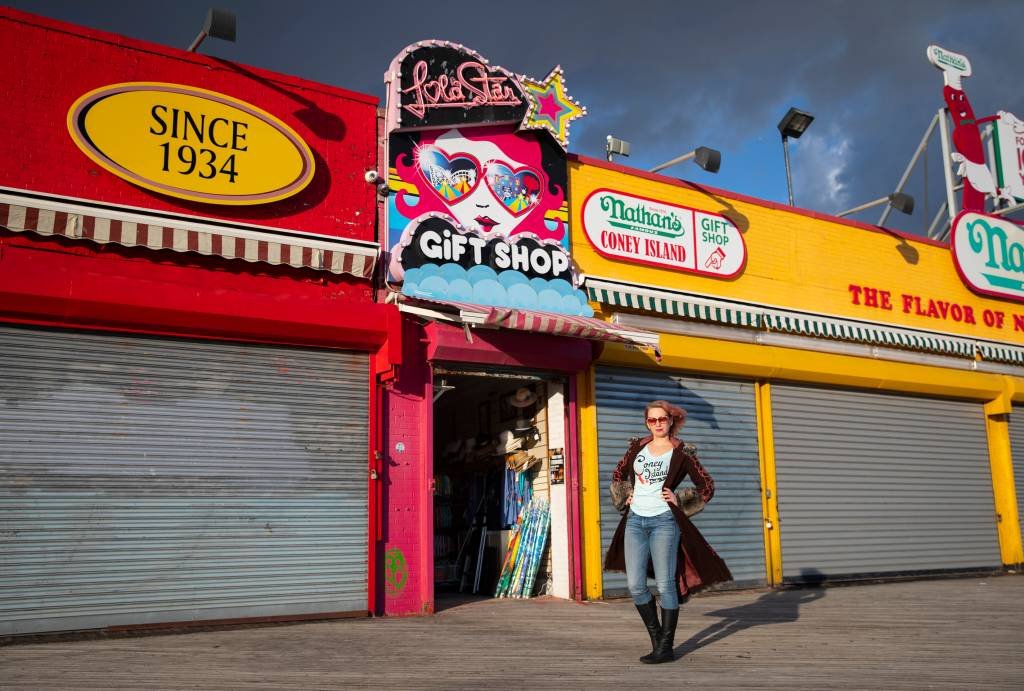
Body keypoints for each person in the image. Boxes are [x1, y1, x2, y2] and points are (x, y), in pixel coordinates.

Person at [604, 400, 732, 664]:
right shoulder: (637, 448)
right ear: (646, 422)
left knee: (665, 584)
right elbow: (618, 474)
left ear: (671, 420)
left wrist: (681, 499)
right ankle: (659, 640)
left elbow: (706, 484)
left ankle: (665, 647)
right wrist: (625, 494)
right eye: (652, 420)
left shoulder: (682, 452)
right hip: (635, 521)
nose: (657, 424)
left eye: (662, 419)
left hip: (664, 521)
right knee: (636, 585)